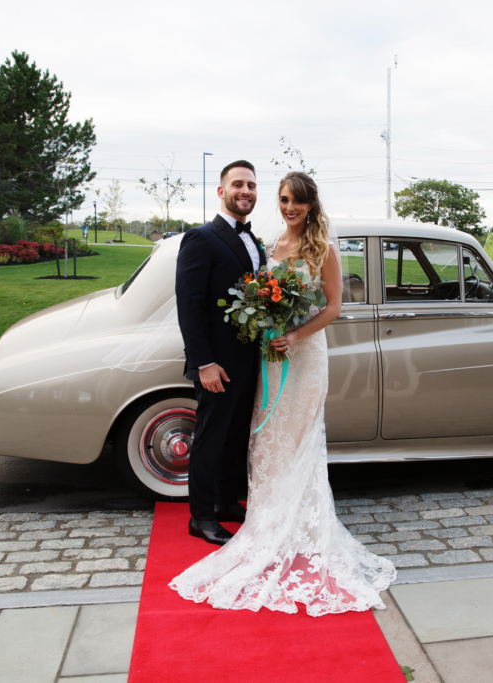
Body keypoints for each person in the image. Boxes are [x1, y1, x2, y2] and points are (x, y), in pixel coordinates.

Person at [170, 172, 397, 616]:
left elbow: (334, 305)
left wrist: (295, 336)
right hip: (268, 356)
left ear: (311, 205)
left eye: (297, 201)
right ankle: (255, 515)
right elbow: (206, 300)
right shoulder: (268, 245)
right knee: (265, 437)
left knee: (296, 438)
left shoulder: (323, 249)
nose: (289, 207)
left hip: (304, 355)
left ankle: (292, 520)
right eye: (284, 199)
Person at [175, 160, 263, 546]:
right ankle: (202, 516)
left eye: (252, 186)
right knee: (210, 438)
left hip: (249, 358)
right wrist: (204, 363)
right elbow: (189, 304)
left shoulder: (255, 240)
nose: (246, 191)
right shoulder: (201, 238)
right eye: (238, 184)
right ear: (221, 191)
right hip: (216, 363)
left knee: (236, 436)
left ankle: (228, 501)